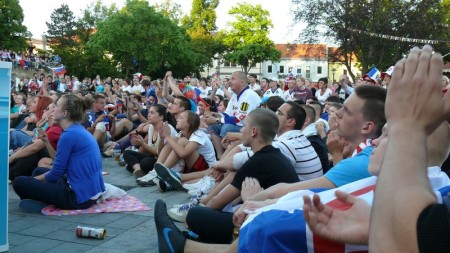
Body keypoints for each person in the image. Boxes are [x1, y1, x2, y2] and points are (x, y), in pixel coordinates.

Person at [12, 94, 106, 212]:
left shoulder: (69, 135)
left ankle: (43, 202)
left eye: (56, 106)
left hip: (77, 197)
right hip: (89, 192)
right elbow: (59, 164)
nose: (53, 109)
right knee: (38, 171)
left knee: (19, 182)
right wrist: (46, 141)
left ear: (64, 113)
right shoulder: (77, 129)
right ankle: (41, 198)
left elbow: (56, 173)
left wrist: (33, 181)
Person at [153, 111, 217, 192]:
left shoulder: (198, 134)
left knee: (181, 142)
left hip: (207, 168)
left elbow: (183, 153)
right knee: (172, 142)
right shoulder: (181, 133)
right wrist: (163, 138)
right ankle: (157, 172)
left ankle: (163, 172)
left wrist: (168, 137)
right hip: (192, 167)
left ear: (188, 123)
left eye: (181, 118)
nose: (177, 119)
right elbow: (160, 152)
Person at [205, 71, 261, 159]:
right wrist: (216, 115)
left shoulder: (248, 95)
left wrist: (216, 120)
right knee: (213, 126)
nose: (229, 81)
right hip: (239, 125)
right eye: (230, 79)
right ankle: (220, 156)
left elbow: (238, 120)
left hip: (249, 128)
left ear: (242, 82)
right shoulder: (235, 95)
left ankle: (228, 157)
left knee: (226, 127)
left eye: (233, 79)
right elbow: (228, 114)